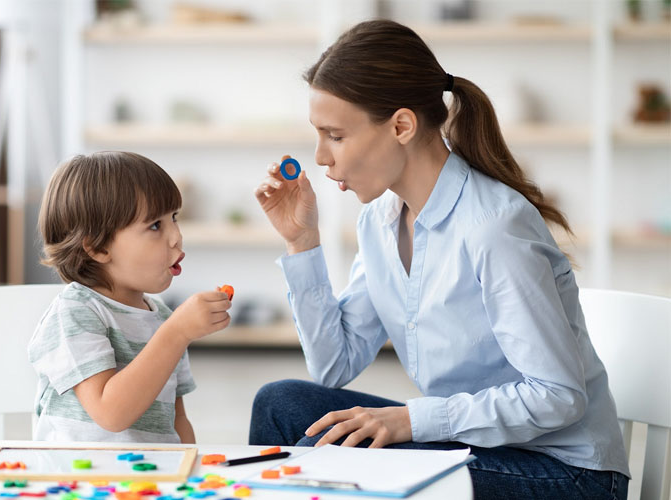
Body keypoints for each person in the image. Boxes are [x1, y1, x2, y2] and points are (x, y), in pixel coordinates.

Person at [250, 20, 629, 499]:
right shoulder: (380, 221)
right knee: (280, 404)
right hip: (473, 446)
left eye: (336, 135)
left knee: (325, 454)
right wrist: (301, 242)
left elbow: (558, 397)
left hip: (564, 472)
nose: (321, 157)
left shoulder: (494, 227)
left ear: (402, 126)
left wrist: (413, 419)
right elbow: (334, 365)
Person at [28, 151, 231, 442]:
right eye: (155, 226)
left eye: (174, 218)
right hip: (79, 482)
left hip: (149, 482)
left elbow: (178, 420)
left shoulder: (162, 317)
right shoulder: (75, 313)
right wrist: (176, 333)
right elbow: (111, 413)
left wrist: (190, 473)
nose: (176, 237)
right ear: (97, 248)